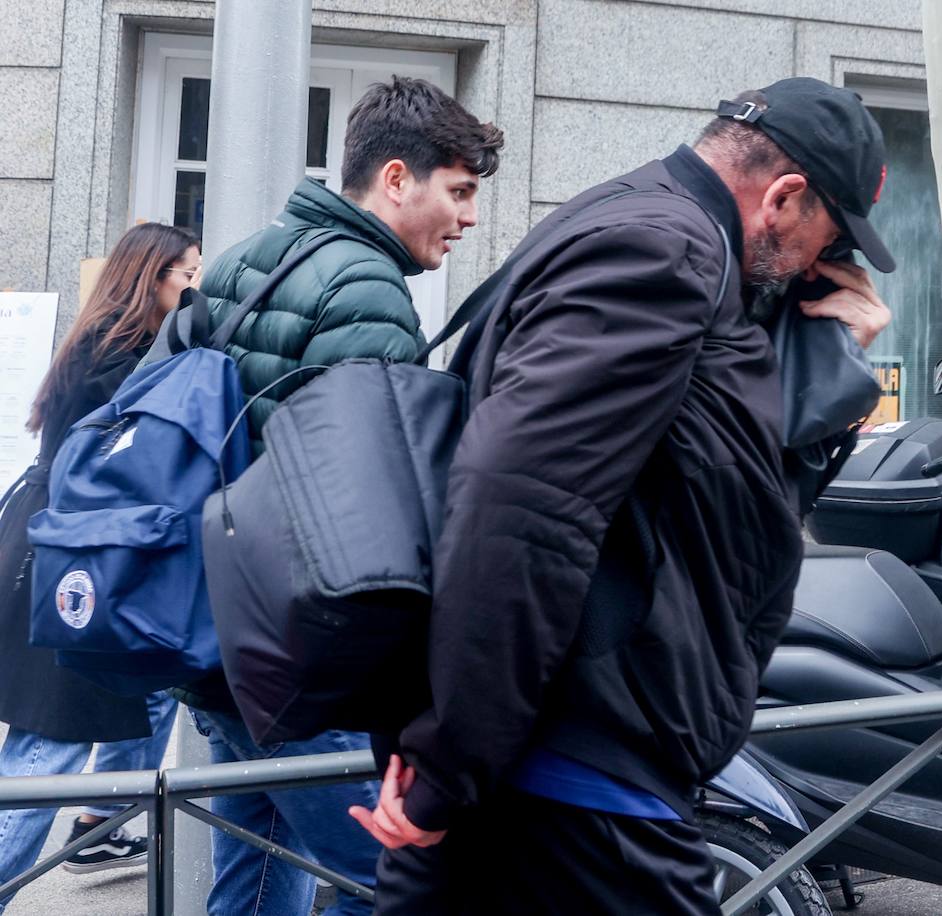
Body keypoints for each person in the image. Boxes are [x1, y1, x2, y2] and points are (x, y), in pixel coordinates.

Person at [351, 77, 894, 914]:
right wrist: (451, 764)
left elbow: (712, 490)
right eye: (831, 237)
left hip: (558, 760)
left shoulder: (649, 222)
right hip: (582, 772)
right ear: (784, 197)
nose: (828, 267)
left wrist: (828, 361)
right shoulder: (665, 252)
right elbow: (520, 508)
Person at [183, 76, 504, 916]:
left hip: (220, 640)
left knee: (253, 883)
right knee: (390, 884)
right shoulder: (367, 290)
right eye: (460, 191)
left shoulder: (247, 258)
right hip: (305, 663)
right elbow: (376, 511)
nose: (469, 218)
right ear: (396, 179)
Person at [0, 223, 197, 908]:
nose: (196, 288)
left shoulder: (104, 338)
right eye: (187, 274)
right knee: (47, 739)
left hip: (62, 546)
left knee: (151, 689)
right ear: (154, 277)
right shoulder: (121, 351)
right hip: (73, 561)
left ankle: (105, 821)